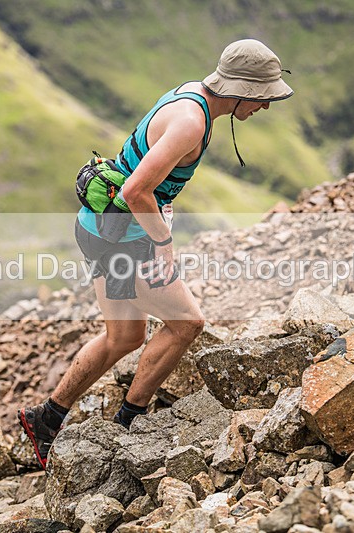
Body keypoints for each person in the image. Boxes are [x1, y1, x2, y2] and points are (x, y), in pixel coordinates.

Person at [18, 39, 294, 470]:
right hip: (123, 239)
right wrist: (163, 246)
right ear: (241, 89)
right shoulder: (191, 122)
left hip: (98, 228)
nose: (265, 106)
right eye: (262, 97)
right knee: (187, 323)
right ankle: (130, 425)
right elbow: (135, 190)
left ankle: (46, 419)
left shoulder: (191, 93)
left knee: (124, 337)